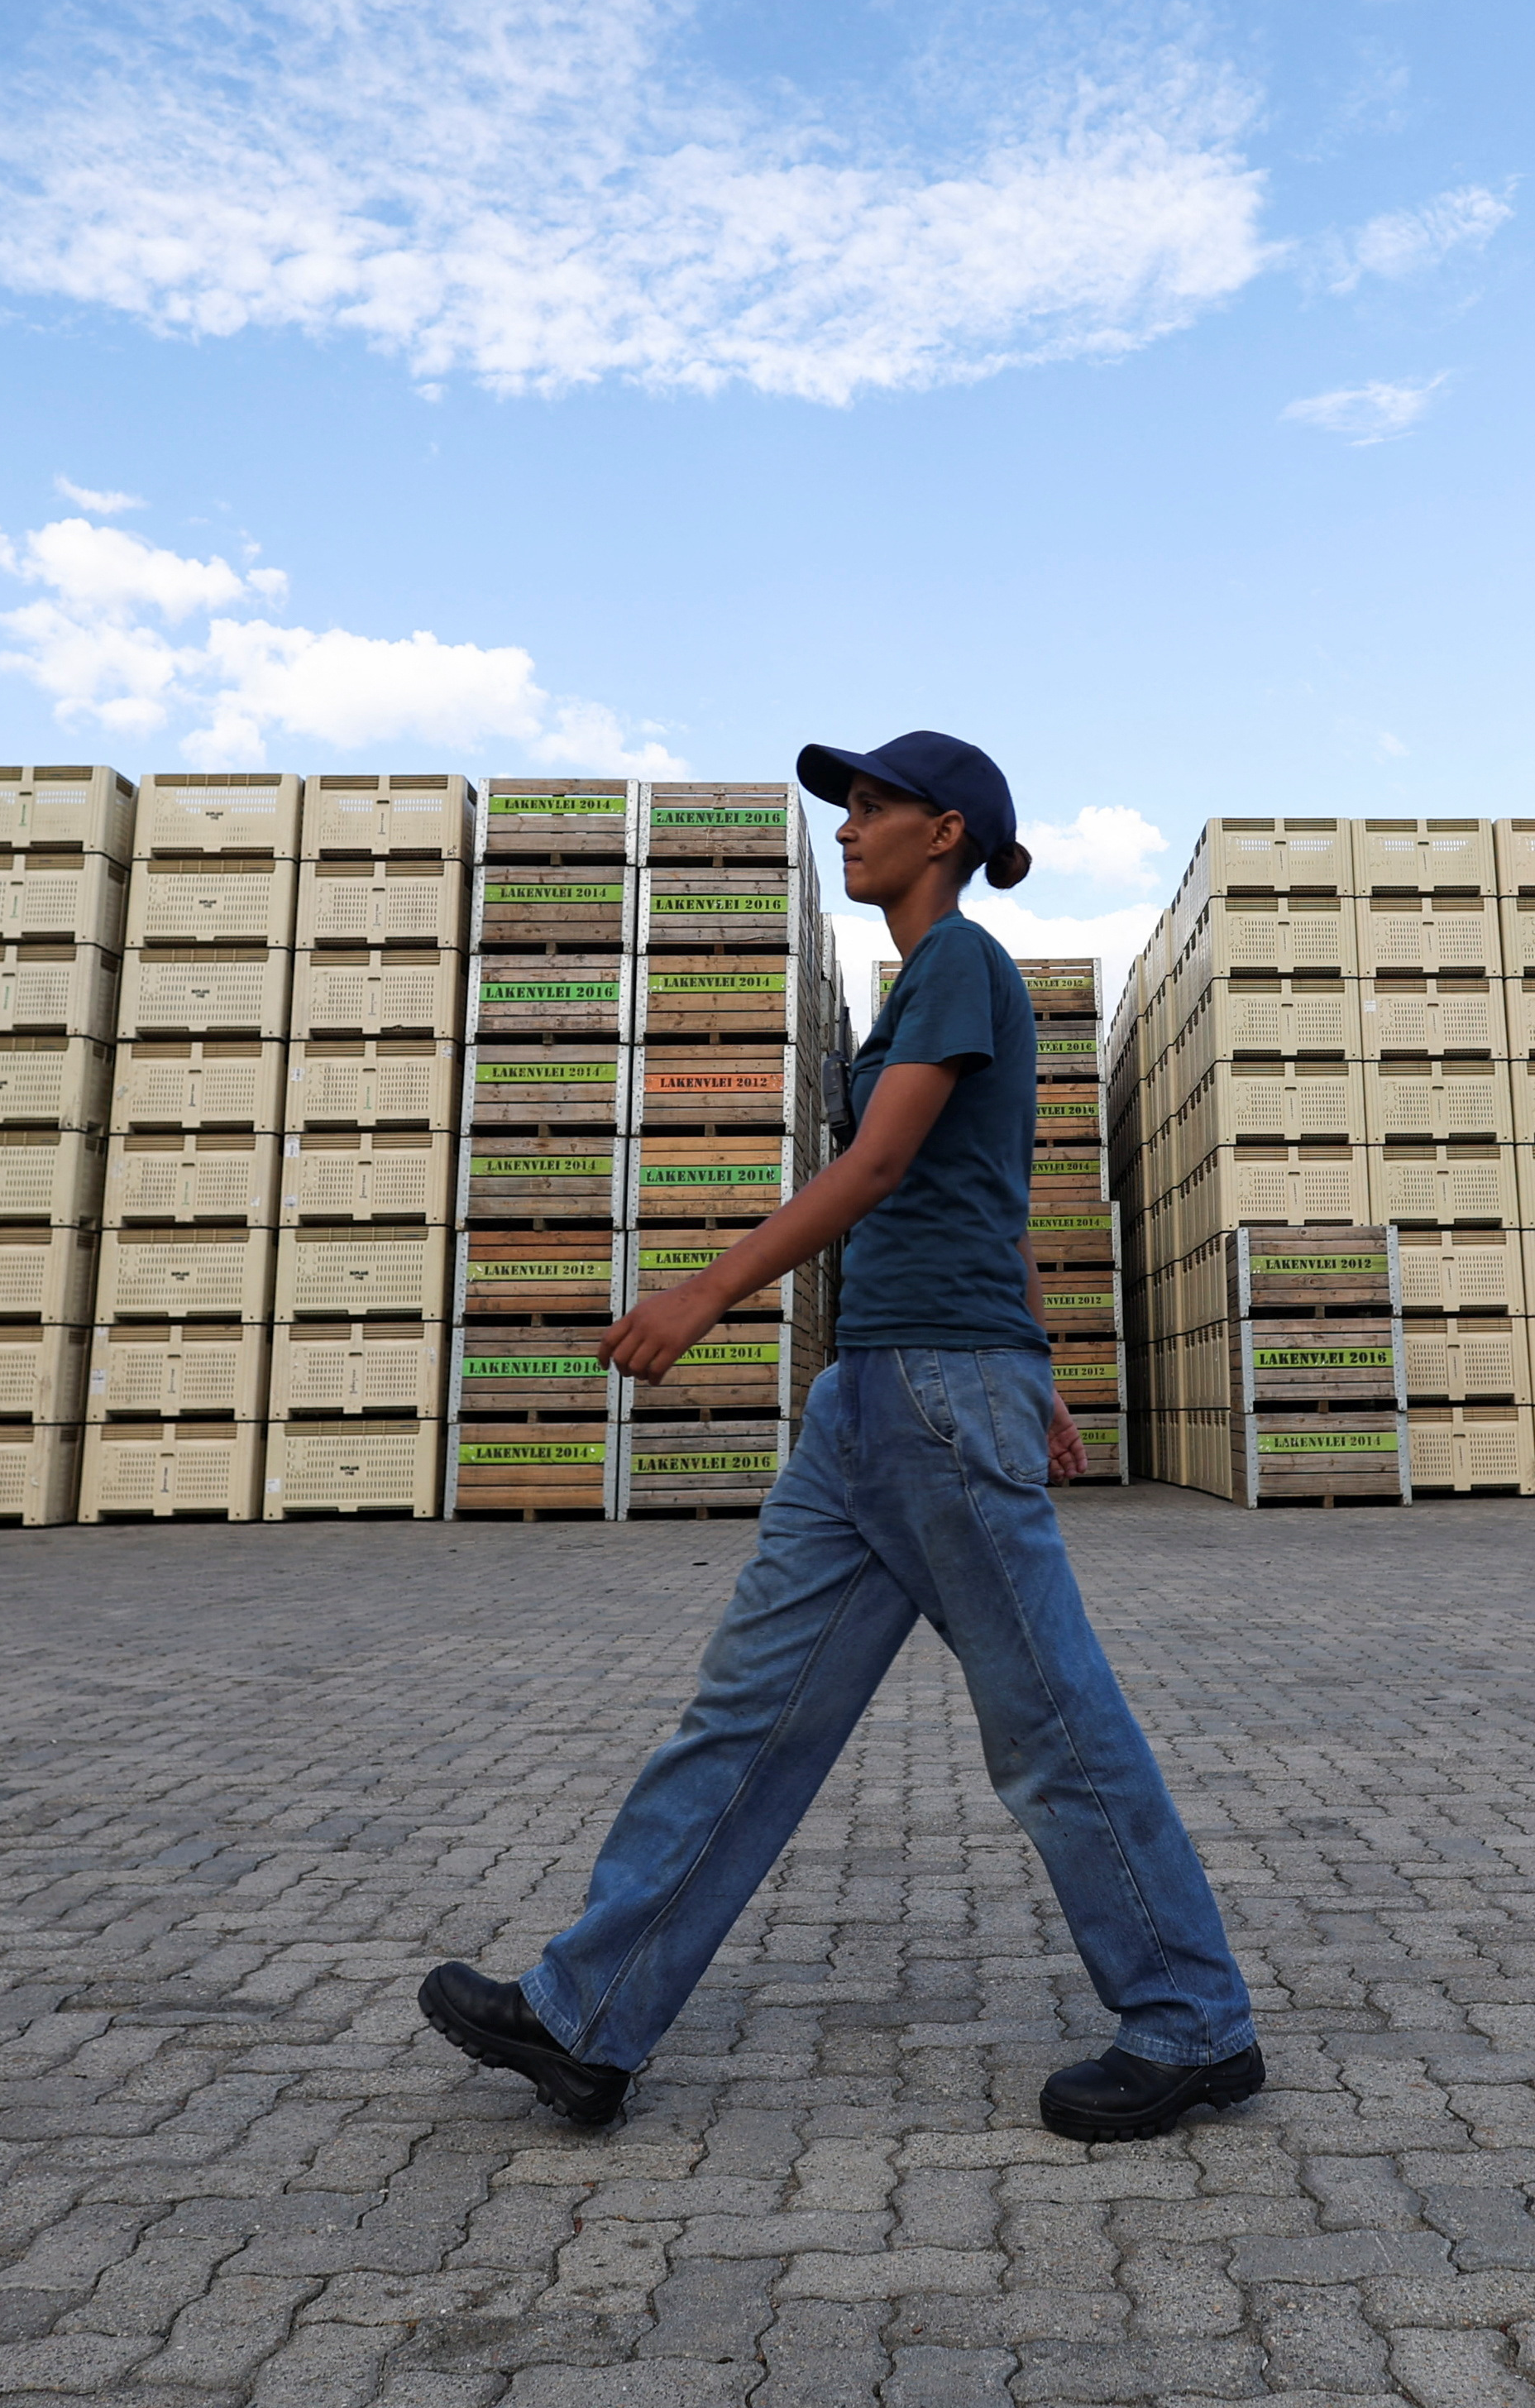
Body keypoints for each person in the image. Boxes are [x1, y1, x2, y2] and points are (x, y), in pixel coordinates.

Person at [418, 732, 1263, 2143]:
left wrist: (705, 1292)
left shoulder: (962, 965)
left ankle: (1193, 2021)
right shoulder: (911, 996)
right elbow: (992, 1199)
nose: (848, 827)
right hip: (875, 1402)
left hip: (933, 1396)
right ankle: (588, 2013)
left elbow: (878, 1171)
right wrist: (1045, 1371)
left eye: (872, 806)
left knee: (1050, 1726)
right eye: (846, 807)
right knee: (746, 1717)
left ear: (947, 832)